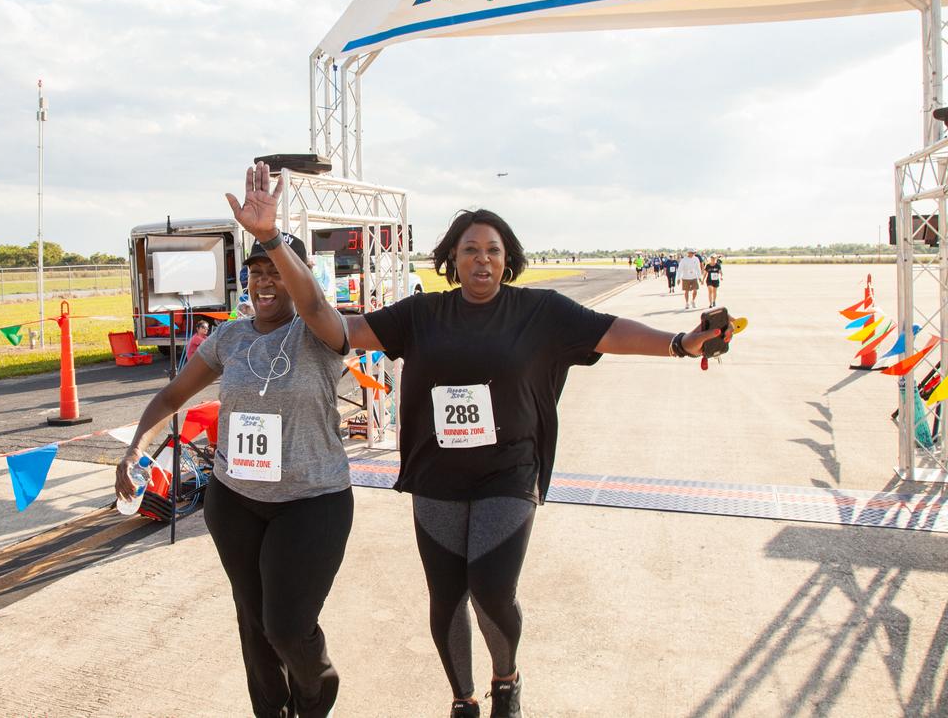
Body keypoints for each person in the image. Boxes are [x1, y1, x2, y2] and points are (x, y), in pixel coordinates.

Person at [254, 203, 730, 717]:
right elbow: (332, 325)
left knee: (491, 589)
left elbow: (611, 332)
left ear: (508, 260)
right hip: (438, 474)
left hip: (510, 470)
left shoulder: (541, 311)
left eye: (493, 251)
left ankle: (506, 680)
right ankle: (463, 698)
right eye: (470, 251)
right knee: (446, 597)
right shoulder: (421, 314)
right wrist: (274, 242)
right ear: (451, 260)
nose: (482, 261)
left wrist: (680, 343)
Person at [116, 164, 353, 718]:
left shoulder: (319, 332)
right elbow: (172, 397)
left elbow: (315, 305)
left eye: (277, 271)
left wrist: (269, 234)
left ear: (297, 276)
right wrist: (135, 449)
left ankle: (316, 691)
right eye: (256, 273)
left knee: (287, 626)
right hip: (236, 501)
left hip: (311, 502)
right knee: (252, 622)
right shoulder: (230, 337)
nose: (266, 282)